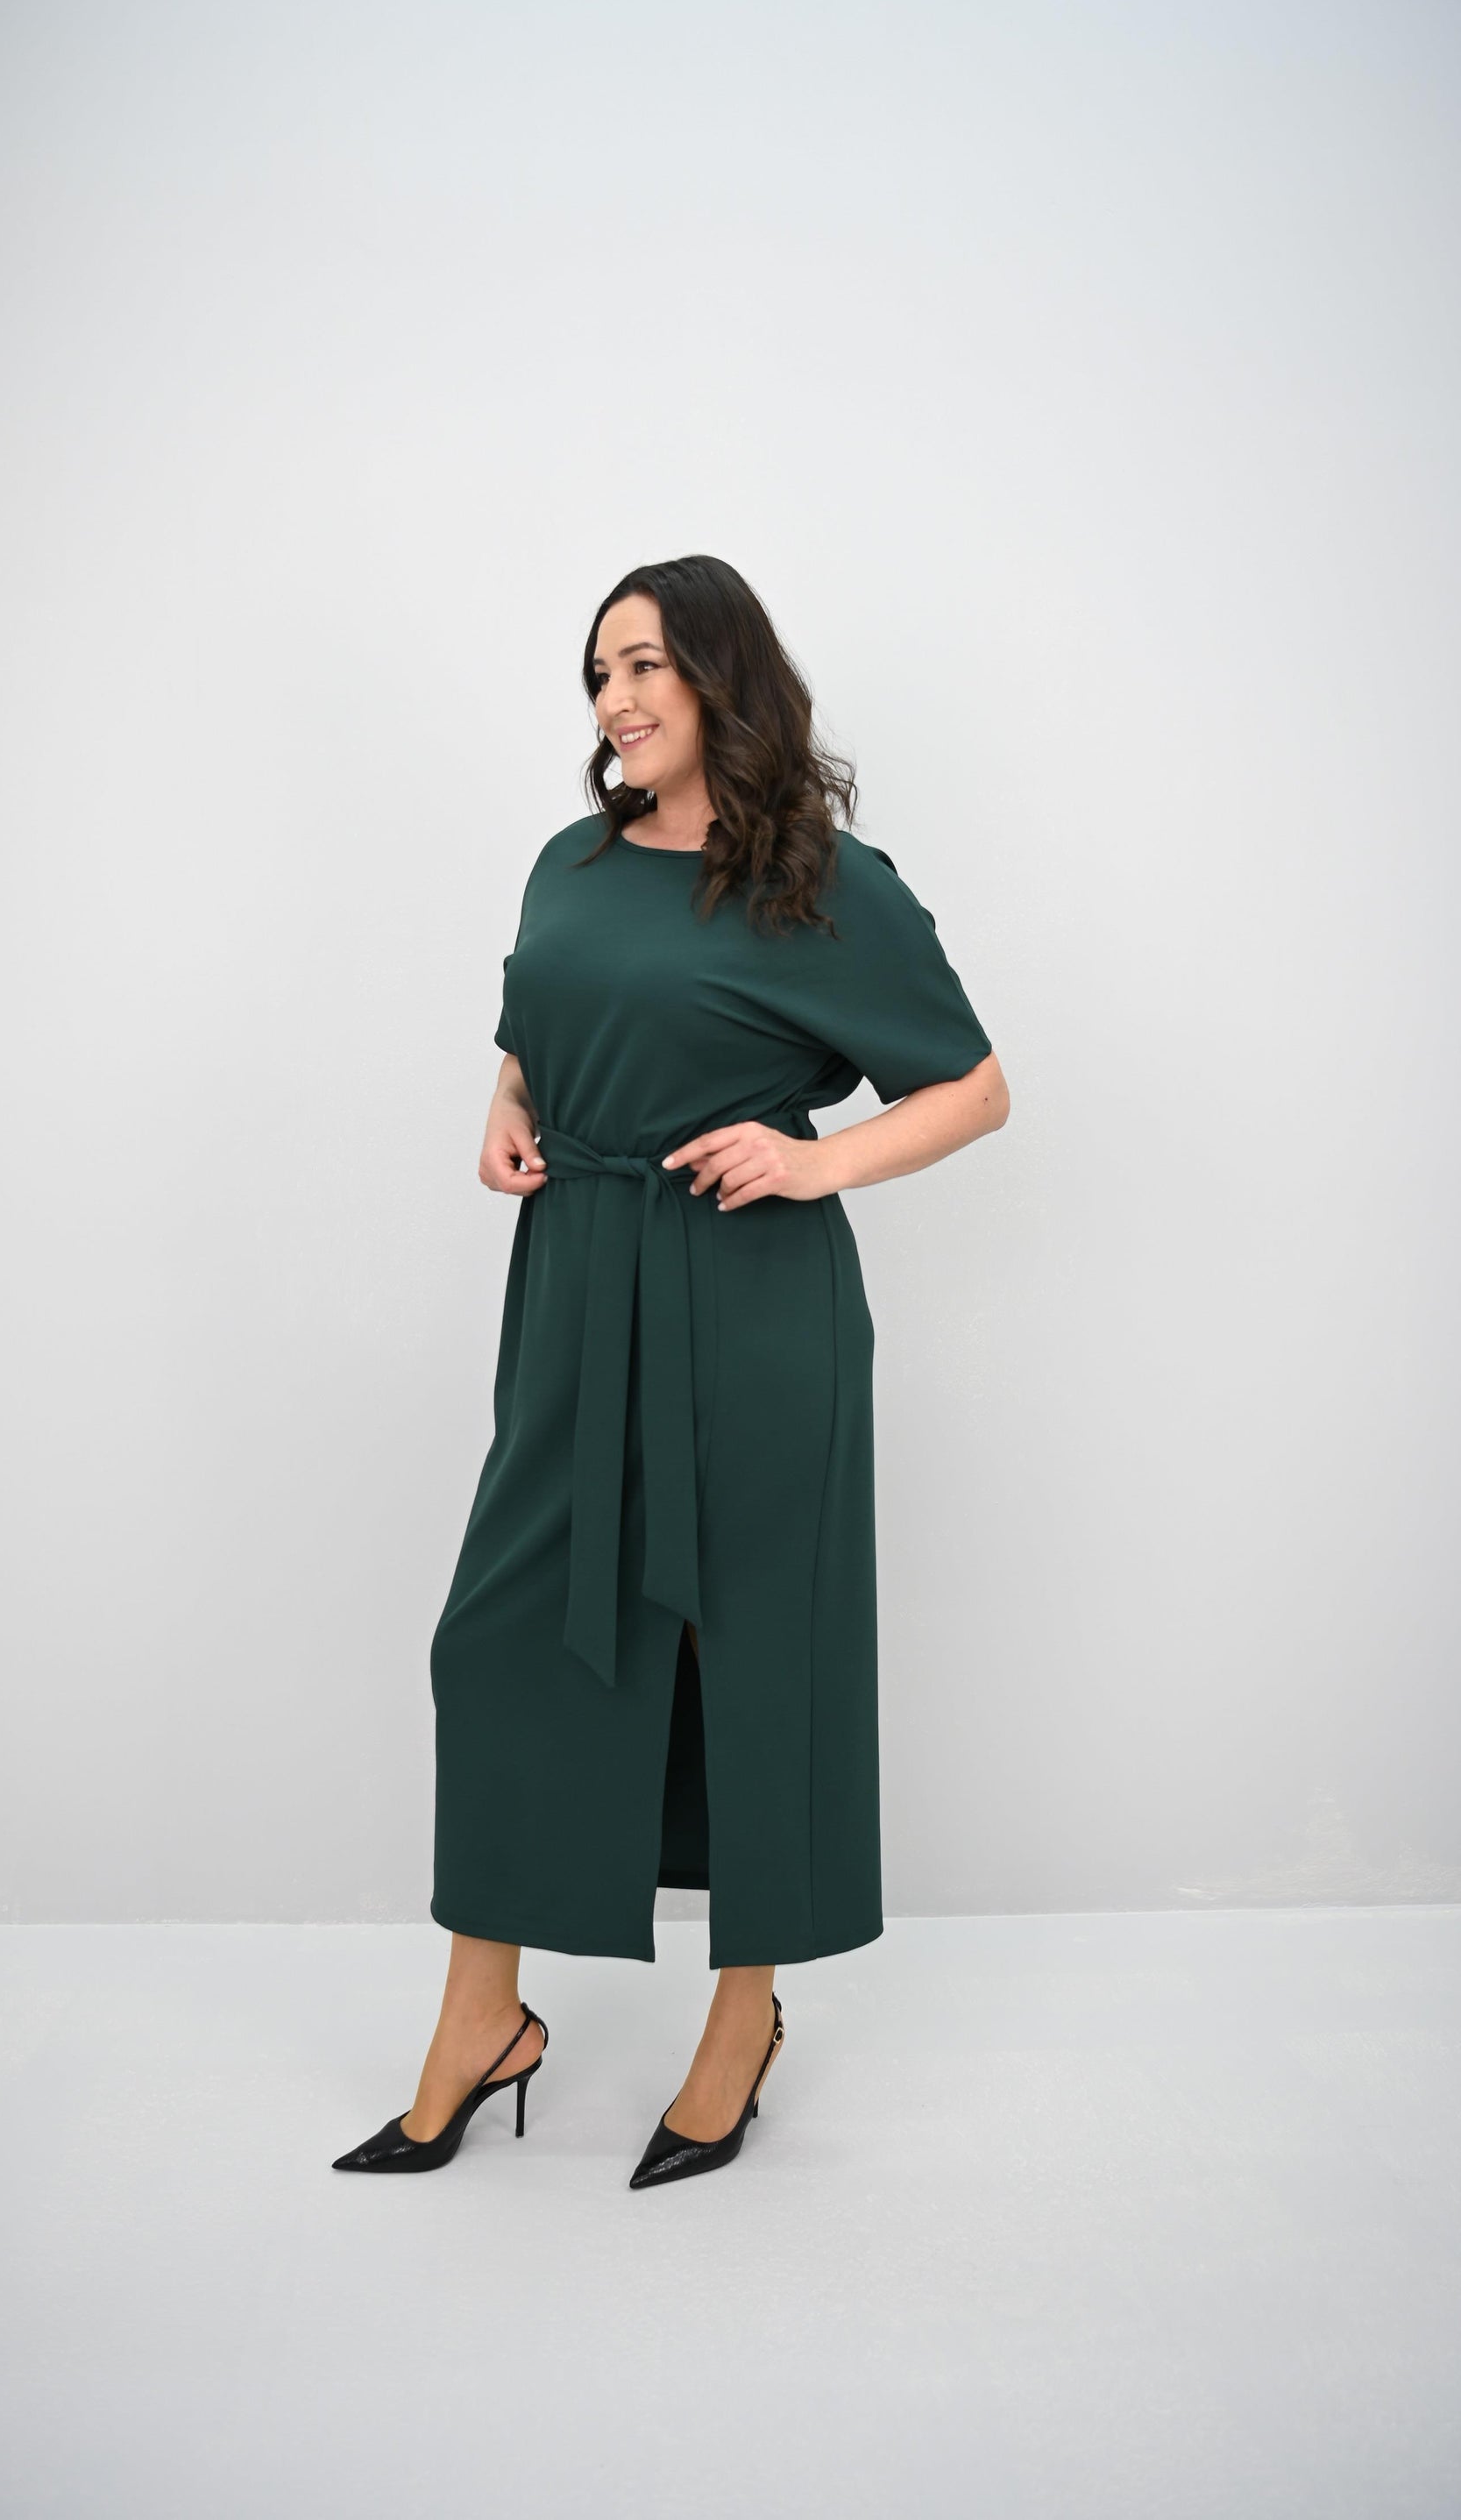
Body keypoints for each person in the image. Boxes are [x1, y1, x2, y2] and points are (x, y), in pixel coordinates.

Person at [333, 555, 1008, 2190]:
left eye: (642, 664)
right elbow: (534, 1027)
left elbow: (974, 1087)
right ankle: (481, 2021)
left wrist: (813, 1160)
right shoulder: (569, 861)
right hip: (575, 1281)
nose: (615, 699)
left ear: (719, 676)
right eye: (596, 673)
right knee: (502, 1635)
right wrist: (505, 1107)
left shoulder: (821, 885)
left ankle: (740, 2023)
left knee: (750, 1649)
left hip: (748, 1299)